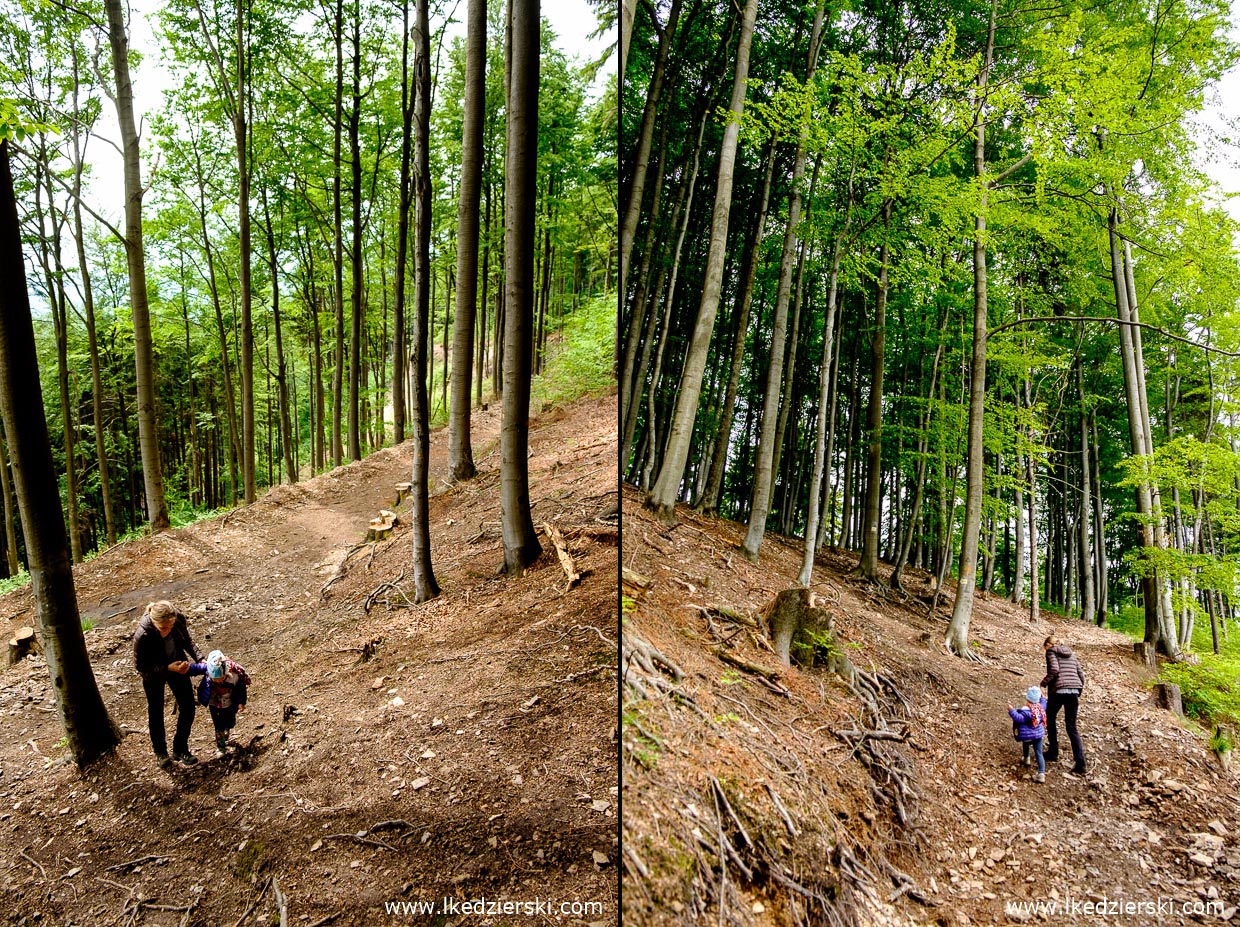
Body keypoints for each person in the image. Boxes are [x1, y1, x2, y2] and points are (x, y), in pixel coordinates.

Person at [132, 601, 202, 767]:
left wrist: (201, 659)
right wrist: (166, 668)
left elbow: (187, 641)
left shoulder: (177, 619)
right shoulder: (143, 635)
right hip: (154, 674)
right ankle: (160, 752)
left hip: (178, 666)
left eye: (170, 626)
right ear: (154, 622)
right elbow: (141, 667)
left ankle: (180, 748)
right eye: (163, 628)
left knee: (188, 706)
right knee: (155, 711)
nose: (168, 630)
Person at [188, 650, 250, 756]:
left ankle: (227, 729)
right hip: (214, 703)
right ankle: (221, 746)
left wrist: (241, 702)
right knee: (218, 725)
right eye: (215, 679)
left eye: (221, 678)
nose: (219, 681)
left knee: (230, 721)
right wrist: (185, 669)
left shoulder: (234, 676)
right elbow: (195, 668)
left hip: (230, 703)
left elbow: (241, 689)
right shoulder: (208, 670)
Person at [1041, 635, 1087, 775]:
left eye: (1045, 647)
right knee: (1072, 727)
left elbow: (1054, 670)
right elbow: (1081, 675)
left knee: (1050, 718)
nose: (1045, 650)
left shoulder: (1051, 652)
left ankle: (1053, 752)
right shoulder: (1072, 653)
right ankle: (1081, 764)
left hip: (1059, 690)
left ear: (1048, 645)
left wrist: (1043, 683)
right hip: (1073, 691)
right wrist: (1078, 689)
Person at [1008, 686, 1048, 783]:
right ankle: (1041, 773)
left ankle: (1026, 758)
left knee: (1026, 744)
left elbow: (1018, 718)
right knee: (1039, 753)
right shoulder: (1040, 708)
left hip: (1027, 735)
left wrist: (1011, 710)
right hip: (1038, 735)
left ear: (1027, 698)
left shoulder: (1026, 710)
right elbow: (1043, 702)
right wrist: (1043, 697)